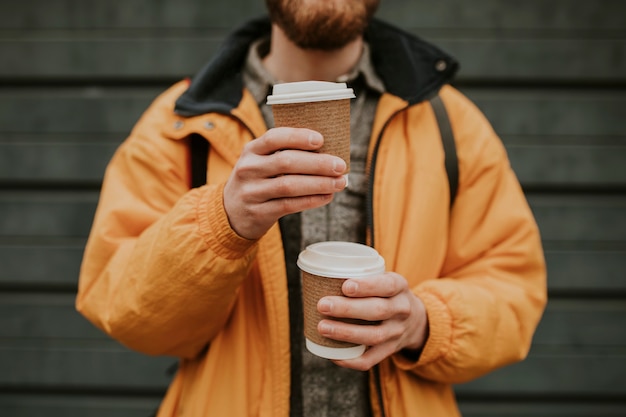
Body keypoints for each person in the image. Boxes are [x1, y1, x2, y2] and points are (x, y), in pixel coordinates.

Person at [76, 1, 547, 416]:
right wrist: (222, 220)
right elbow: (125, 309)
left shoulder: (449, 122)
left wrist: (424, 321)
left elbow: (514, 291)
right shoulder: (181, 124)